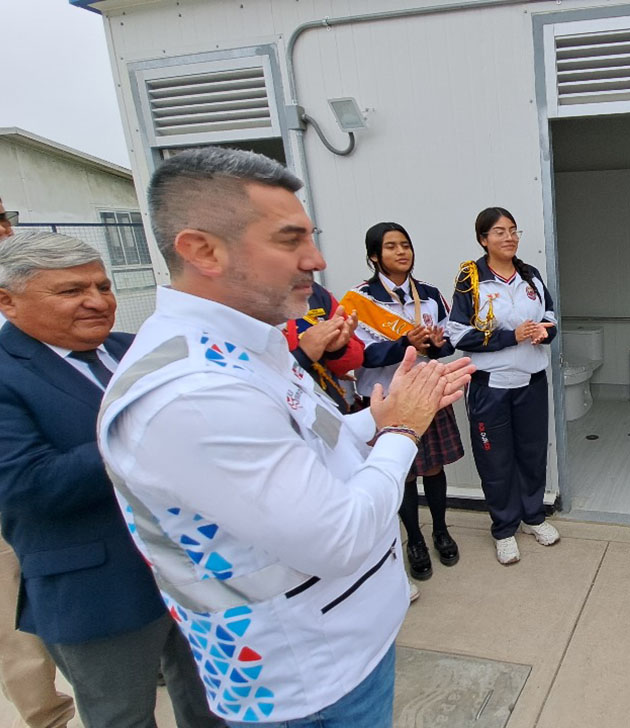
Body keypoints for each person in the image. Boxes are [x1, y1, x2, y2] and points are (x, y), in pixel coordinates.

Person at [96, 147, 473, 727]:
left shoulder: (253, 348)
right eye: (289, 240)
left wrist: (378, 417)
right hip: (303, 682)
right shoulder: (194, 394)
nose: (316, 259)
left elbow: (320, 442)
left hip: (344, 645)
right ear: (202, 251)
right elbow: (340, 537)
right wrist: (402, 429)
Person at [0, 231, 220, 728]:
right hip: (97, 590)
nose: (97, 302)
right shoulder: (7, 373)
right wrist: (142, 431)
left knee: (215, 707)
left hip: (196, 571)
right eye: (71, 291)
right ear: (7, 300)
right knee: (121, 716)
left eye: (103, 285)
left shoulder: (136, 349)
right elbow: (28, 486)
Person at [341, 222, 465, 582]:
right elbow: (356, 356)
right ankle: (414, 541)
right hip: (385, 398)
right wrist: (405, 344)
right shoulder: (356, 300)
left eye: (406, 245)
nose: (402, 252)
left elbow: (448, 342)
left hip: (425, 393)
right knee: (403, 475)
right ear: (374, 256)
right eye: (392, 246)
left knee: (433, 469)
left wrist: (438, 344)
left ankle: (440, 530)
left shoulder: (428, 294)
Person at [0, 195, 76, 728]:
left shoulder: (39, 284)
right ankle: (46, 713)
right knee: (11, 602)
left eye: (2, 218)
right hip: (13, 470)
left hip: (61, 460)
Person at [447, 207, 559, 565]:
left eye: (513, 230)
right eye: (499, 232)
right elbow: (458, 335)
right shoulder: (471, 279)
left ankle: (533, 517)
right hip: (490, 387)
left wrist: (545, 331)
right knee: (495, 460)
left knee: (532, 452)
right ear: (483, 239)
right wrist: (511, 336)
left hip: (531, 382)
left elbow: (551, 318)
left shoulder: (531, 276)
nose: (509, 237)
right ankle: (504, 528)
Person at [283, 282, 363, 414]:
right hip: (281, 411)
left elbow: (354, 360)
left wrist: (337, 349)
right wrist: (303, 355)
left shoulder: (316, 293)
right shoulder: (244, 298)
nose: (318, 264)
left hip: (328, 408)